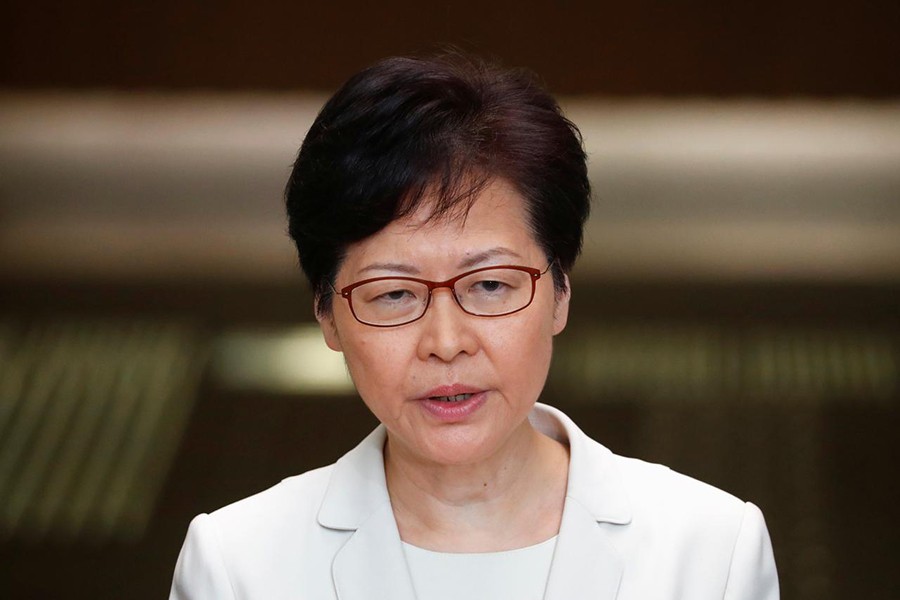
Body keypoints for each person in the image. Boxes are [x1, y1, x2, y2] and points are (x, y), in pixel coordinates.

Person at [169, 53, 779, 600]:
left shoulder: (711, 554)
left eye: (489, 285)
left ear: (560, 291)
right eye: (393, 294)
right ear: (327, 315)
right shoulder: (238, 566)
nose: (445, 343)